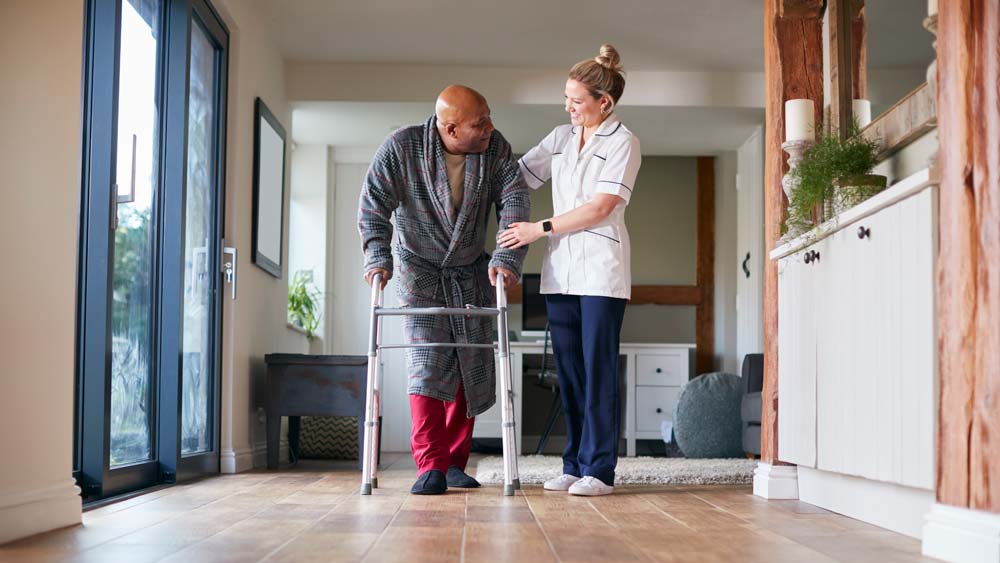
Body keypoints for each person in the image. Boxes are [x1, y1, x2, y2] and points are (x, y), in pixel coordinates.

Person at [358, 85, 529, 495]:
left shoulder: (496, 149)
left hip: (470, 268)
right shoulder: (402, 147)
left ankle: (455, 463)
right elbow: (373, 204)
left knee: (469, 363)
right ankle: (430, 465)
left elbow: (515, 201)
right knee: (426, 361)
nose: (490, 127)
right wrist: (378, 256)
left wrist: (505, 261)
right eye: (479, 122)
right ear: (450, 129)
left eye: (488, 117)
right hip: (419, 269)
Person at [499, 44, 641, 497]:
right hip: (560, 272)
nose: (569, 108)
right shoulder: (561, 138)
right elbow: (518, 176)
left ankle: (599, 470)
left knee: (598, 371)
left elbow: (600, 207)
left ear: (605, 102)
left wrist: (537, 228)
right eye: (566, 99)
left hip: (601, 272)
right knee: (569, 372)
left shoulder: (623, 142)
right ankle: (573, 462)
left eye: (577, 101)